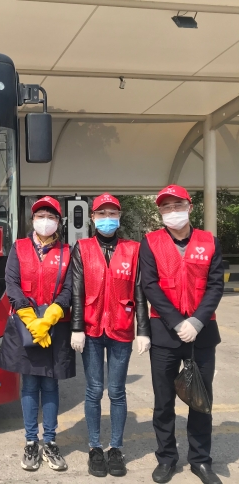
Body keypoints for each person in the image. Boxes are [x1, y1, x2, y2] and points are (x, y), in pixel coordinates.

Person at [140, 185, 224, 484]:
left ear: (190, 207)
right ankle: (166, 458)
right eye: (166, 207)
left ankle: (200, 460)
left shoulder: (209, 241)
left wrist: (197, 322)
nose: (172, 211)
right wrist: (177, 322)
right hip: (165, 333)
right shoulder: (150, 242)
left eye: (178, 205)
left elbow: (215, 285)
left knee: (200, 399)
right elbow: (150, 286)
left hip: (202, 333)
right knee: (164, 401)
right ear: (160, 212)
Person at [71, 193, 150, 478]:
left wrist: (143, 330)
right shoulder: (82, 248)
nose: (107, 218)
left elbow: (139, 291)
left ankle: (116, 447)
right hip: (91, 329)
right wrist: (77, 327)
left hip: (121, 328)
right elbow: (77, 290)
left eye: (112, 213)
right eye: (101, 213)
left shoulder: (133, 250)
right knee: (93, 391)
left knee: (117, 391)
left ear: (119, 217)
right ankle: (95, 447)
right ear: (92, 218)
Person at [0, 196, 75, 472]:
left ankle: (50, 441)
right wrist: (30, 318)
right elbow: (11, 283)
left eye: (51, 216)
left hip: (56, 326)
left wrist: (52, 314)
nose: (45, 221)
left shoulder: (68, 252)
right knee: (30, 384)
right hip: (26, 324)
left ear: (58, 221)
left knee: (51, 385)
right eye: (40, 215)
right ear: (32, 220)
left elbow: (70, 288)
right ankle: (31, 441)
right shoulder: (18, 248)